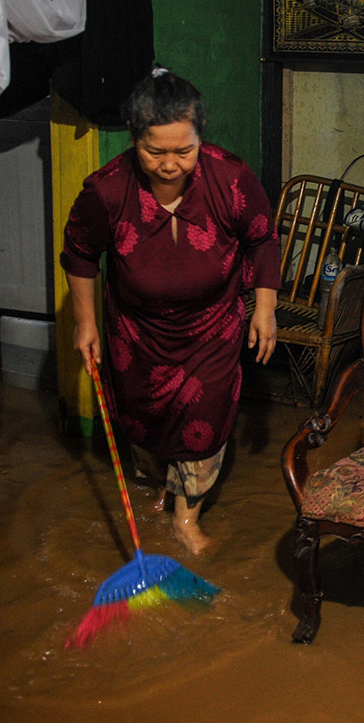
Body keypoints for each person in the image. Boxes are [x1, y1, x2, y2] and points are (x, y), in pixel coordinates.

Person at [60, 68, 280, 556]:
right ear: (133, 138)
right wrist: (86, 322)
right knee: (144, 419)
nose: (170, 164)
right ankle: (165, 481)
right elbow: (78, 254)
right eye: (154, 151)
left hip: (213, 326)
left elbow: (262, 238)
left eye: (184, 150)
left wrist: (264, 308)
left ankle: (186, 517)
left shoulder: (232, 177)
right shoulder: (106, 191)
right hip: (137, 332)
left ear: (201, 136)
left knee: (205, 416)